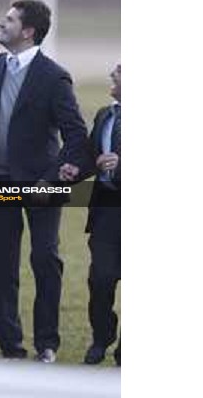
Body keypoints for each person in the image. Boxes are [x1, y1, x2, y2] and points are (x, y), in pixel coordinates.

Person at [0, 0, 90, 363]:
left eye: (9, 20)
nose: (1, 25)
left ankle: (47, 343)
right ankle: (11, 347)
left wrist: (51, 180)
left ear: (28, 31)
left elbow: (77, 138)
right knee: (1, 267)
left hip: (42, 186)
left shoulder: (53, 76)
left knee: (45, 258)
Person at [81, 63, 121, 366]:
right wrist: (74, 170)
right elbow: (91, 157)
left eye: (120, 71)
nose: (112, 74)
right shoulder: (105, 115)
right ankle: (101, 337)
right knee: (101, 279)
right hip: (106, 211)